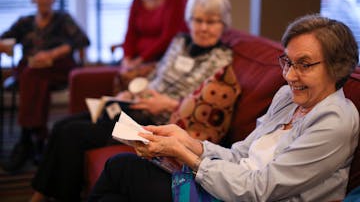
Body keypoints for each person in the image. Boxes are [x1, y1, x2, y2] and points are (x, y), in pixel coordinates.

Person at [88, 14, 359, 202]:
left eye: (304, 64)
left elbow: (260, 189)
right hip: (230, 187)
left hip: (248, 196)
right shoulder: (288, 97)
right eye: (287, 62)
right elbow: (240, 153)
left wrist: (185, 155)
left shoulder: (335, 121)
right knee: (116, 188)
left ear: (337, 67)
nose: (289, 75)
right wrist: (188, 142)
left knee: (121, 167)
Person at [29, 0, 233, 202]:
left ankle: (48, 197)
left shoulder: (221, 60)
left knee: (72, 134)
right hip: (137, 104)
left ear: (224, 24)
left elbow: (202, 104)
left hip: (155, 122)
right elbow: (158, 73)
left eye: (211, 22)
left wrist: (169, 104)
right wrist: (134, 92)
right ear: (188, 20)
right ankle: (40, 194)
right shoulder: (180, 42)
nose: (202, 28)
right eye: (197, 20)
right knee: (62, 126)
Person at [0, 0, 90, 172]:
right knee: (33, 77)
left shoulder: (63, 19)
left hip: (57, 67)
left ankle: (26, 140)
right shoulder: (25, 22)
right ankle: (39, 139)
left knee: (31, 76)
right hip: (32, 71)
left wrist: (52, 54)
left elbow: (82, 40)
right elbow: (4, 39)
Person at [112, 0, 188, 71]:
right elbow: (130, 34)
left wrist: (140, 60)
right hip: (137, 58)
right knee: (122, 73)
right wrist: (127, 59)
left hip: (166, 57)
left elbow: (169, 36)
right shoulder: (137, 1)